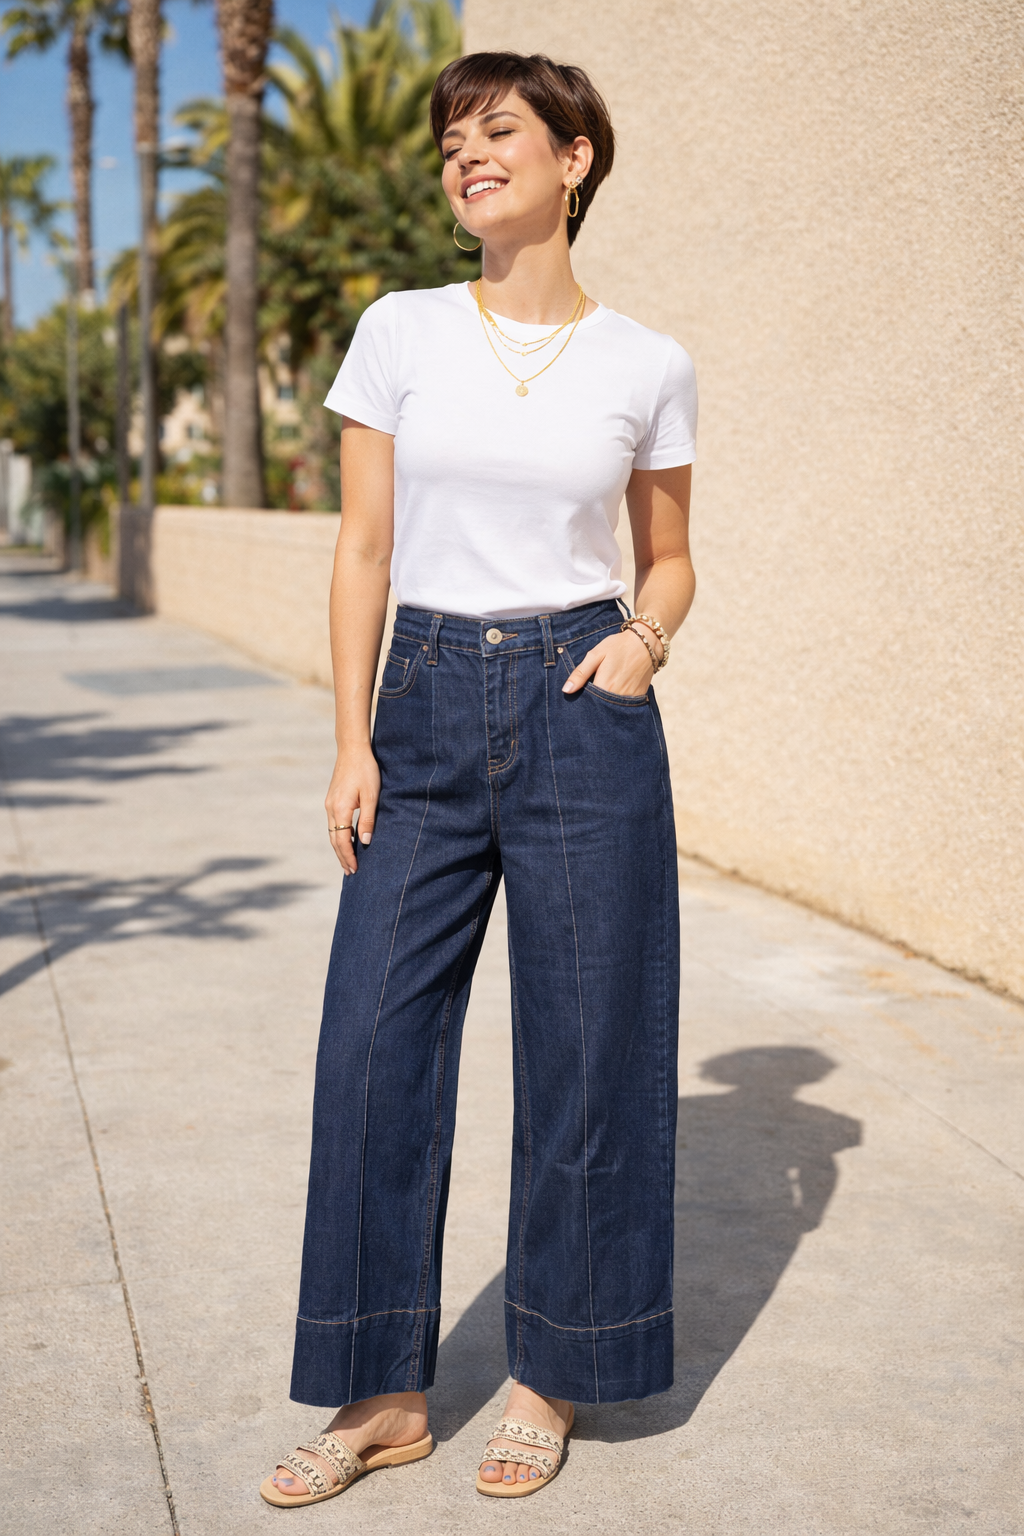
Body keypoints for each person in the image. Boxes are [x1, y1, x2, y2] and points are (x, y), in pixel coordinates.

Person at [260, 48, 697, 1508]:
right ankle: (382, 1391)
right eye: (454, 138)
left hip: (585, 703)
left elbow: (673, 557)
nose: (467, 154)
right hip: (428, 702)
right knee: (372, 1047)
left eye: (498, 130)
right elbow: (365, 549)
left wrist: (641, 641)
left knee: (589, 1051)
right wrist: (351, 737)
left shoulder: (648, 362)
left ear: (575, 159)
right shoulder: (399, 332)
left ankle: (553, 1370)